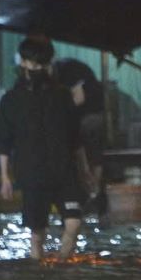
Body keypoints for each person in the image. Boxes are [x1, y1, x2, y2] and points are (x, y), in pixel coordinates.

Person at [0, 37, 93, 260]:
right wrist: (5, 177)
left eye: (39, 64)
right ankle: (38, 278)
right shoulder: (12, 100)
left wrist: (84, 169)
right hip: (32, 172)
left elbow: (75, 137)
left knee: (74, 223)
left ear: (48, 64)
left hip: (63, 169)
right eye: (30, 63)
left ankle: (60, 265)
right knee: (37, 234)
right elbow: (3, 140)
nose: (34, 68)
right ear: (23, 63)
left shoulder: (61, 96)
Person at [53, 58, 106, 212]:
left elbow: (78, 98)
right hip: (92, 116)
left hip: (89, 116)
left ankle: (92, 190)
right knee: (93, 155)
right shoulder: (69, 69)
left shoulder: (68, 71)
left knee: (89, 153)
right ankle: (93, 191)